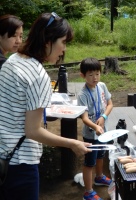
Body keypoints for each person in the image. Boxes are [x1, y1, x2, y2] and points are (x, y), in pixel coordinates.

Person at [0, 12, 92, 200]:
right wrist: (72, 143)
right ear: (47, 40)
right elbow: (33, 131)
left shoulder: (14, 60)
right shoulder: (37, 75)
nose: (64, 50)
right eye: (63, 42)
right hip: (21, 164)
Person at [77, 57, 113, 200]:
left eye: (97, 74)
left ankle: (99, 177)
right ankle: (88, 191)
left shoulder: (102, 86)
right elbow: (84, 118)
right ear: (83, 76)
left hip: (103, 130)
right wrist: (95, 127)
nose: (95, 78)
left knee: (101, 155)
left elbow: (110, 104)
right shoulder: (83, 94)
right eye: (90, 75)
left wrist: (103, 117)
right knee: (89, 162)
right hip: (91, 134)